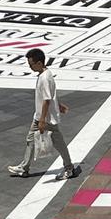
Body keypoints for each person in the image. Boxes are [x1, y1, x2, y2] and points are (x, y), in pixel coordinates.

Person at [7, 48, 81, 181]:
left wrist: (42, 120)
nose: (30, 67)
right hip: (40, 116)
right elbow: (50, 96)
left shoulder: (45, 78)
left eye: (31, 64)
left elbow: (47, 100)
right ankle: (24, 168)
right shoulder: (45, 74)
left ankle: (69, 168)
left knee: (58, 143)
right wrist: (58, 105)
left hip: (46, 119)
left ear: (39, 63)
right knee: (31, 139)